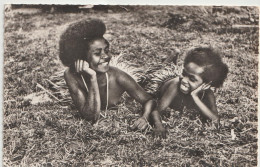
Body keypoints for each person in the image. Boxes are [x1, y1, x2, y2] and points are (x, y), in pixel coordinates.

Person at [59, 19, 155, 127]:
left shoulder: (118, 76)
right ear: (81, 57)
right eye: (97, 53)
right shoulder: (71, 75)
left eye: (107, 50)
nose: (106, 56)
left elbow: (149, 100)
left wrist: (144, 117)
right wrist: (92, 77)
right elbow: (90, 116)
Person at [150, 47, 228, 138]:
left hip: (176, 78)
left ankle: (173, 60)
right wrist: (158, 125)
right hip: (163, 79)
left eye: (192, 79)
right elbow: (156, 111)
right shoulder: (175, 86)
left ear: (206, 84)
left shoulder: (208, 93)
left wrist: (195, 96)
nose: (184, 80)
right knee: (162, 69)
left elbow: (215, 120)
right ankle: (171, 57)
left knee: (172, 69)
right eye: (184, 74)